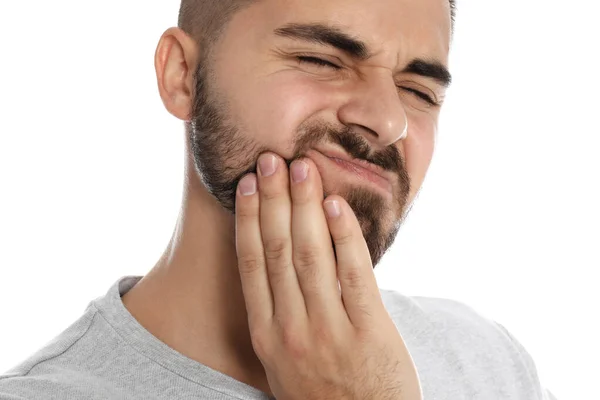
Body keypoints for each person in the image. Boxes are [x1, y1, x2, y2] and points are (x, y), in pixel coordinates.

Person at [0, 0, 557, 399]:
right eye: (322, 60)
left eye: (418, 92)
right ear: (182, 76)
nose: (388, 121)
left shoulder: (489, 363)